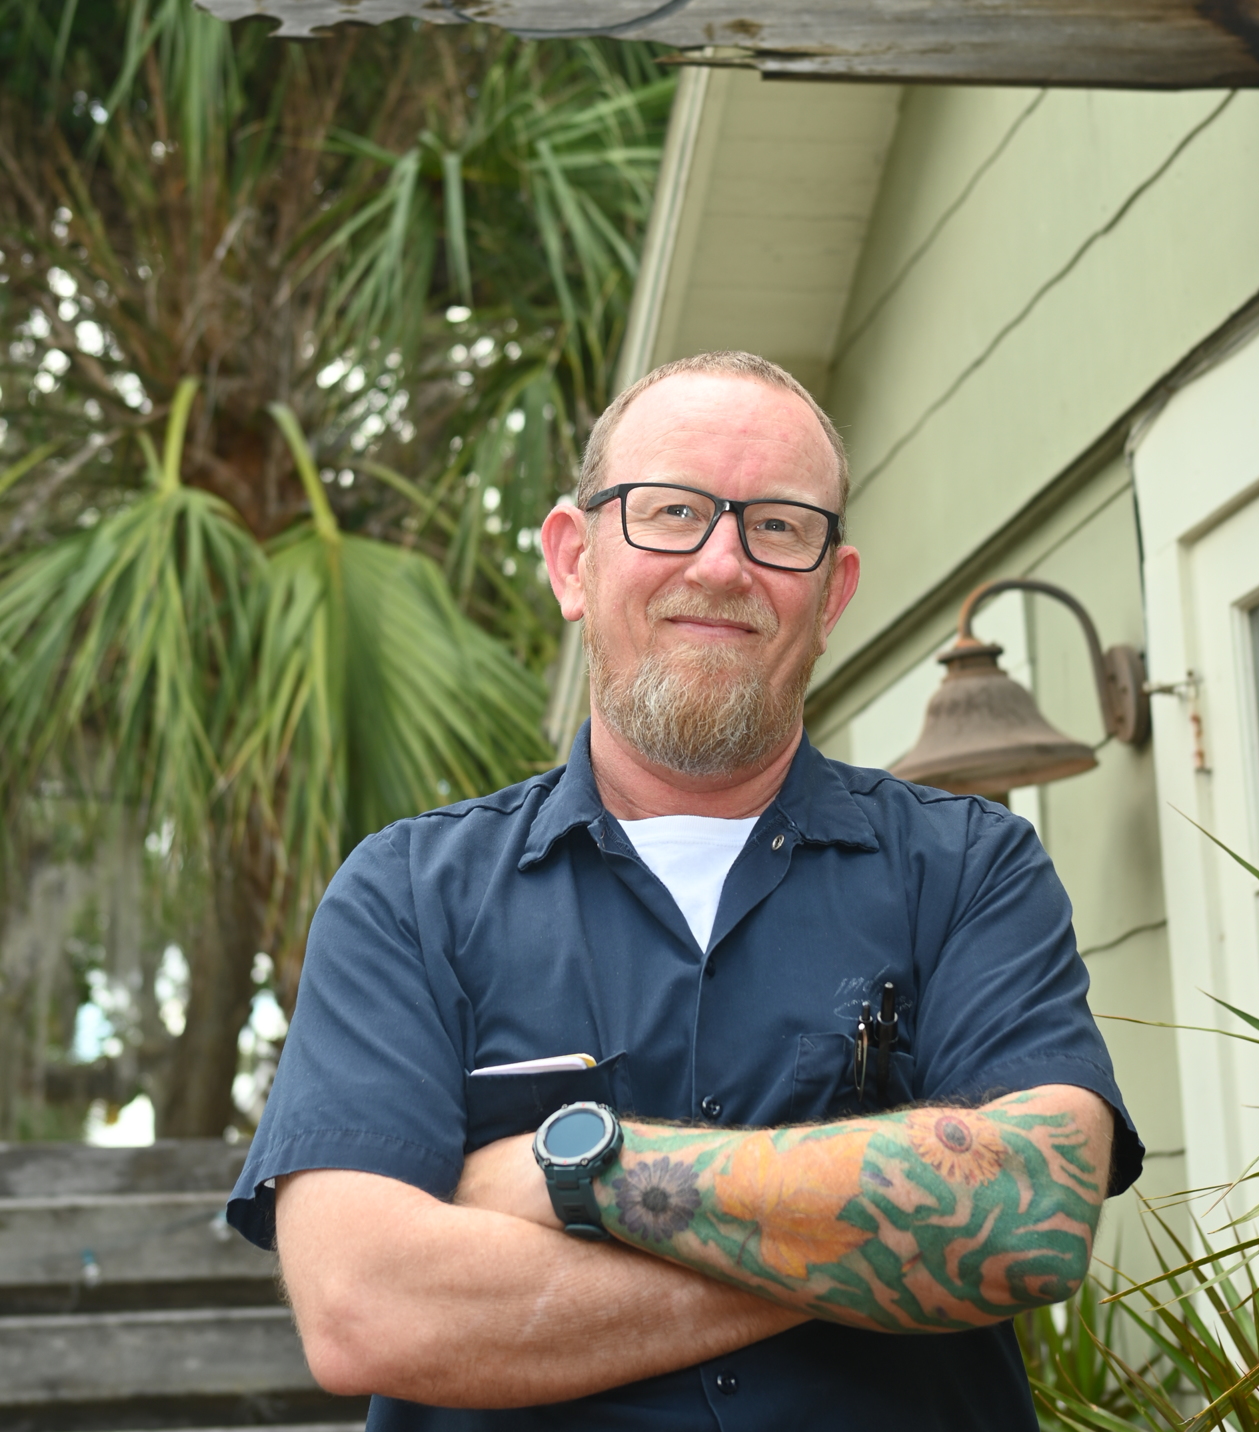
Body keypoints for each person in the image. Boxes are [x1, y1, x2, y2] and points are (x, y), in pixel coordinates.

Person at [228, 350, 1143, 1431]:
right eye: (669, 512)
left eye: (779, 526)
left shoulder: (970, 868)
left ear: (832, 588)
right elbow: (366, 1308)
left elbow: (1027, 1213)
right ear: (572, 560)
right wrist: (872, 1239)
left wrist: (582, 1170)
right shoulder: (406, 896)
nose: (720, 563)